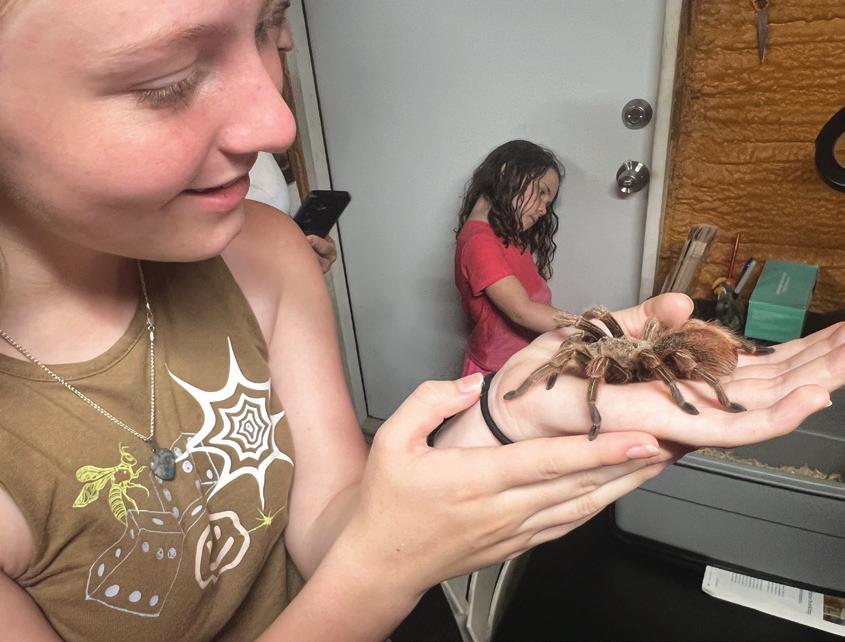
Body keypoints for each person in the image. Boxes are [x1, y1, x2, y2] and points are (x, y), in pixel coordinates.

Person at [0, 2, 841, 641]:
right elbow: (365, 558)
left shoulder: (265, 256)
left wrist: (503, 418)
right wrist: (385, 565)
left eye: (268, 27)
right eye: (165, 79)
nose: (277, 122)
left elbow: (330, 527)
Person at [454, 140, 567, 376]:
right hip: (496, 373)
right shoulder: (479, 241)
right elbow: (521, 310)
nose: (543, 210)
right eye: (541, 193)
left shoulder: (506, 235)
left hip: (520, 362)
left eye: (548, 203)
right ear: (507, 174)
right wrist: (584, 328)